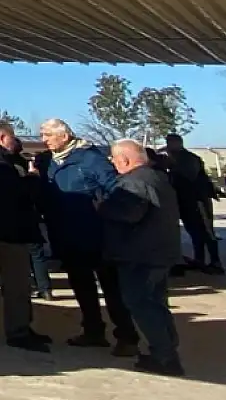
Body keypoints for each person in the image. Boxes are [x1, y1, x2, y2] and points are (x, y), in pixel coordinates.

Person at [37, 118, 140, 356]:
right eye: (43, 135)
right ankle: (93, 331)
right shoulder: (50, 162)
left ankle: (127, 336)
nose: (44, 140)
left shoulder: (90, 159)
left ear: (64, 136)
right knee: (82, 287)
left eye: (48, 135)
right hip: (68, 235)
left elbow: (115, 189)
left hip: (97, 236)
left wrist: (102, 212)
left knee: (112, 290)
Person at [100, 140, 186, 377]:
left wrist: (103, 207)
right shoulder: (157, 177)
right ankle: (167, 351)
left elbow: (130, 213)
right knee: (157, 304)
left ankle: (164, 357)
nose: (113, 164)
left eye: (114, 159)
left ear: (125, 160)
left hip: (139, 254)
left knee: (142, 304)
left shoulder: (134, 182)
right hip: (160, 252)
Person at [0, 122, 51, 352]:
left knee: (20, 283)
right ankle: (18, 332)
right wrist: (32, 178)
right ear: (3, 137)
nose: (15, 143)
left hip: (4, 229)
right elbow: (11, 194)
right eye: (13, 138)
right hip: (7, 231)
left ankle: (24, 325)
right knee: (17, 285)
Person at [162, 134, 223, 274]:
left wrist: (171, 166)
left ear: (177, 143)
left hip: (198, 200)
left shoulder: (188, 158)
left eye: (170, 143)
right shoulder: (177, 158)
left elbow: (189, 176)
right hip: (185, 202)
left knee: (206, 231)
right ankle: (199, 260)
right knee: (194, 232)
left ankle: (216, 262)